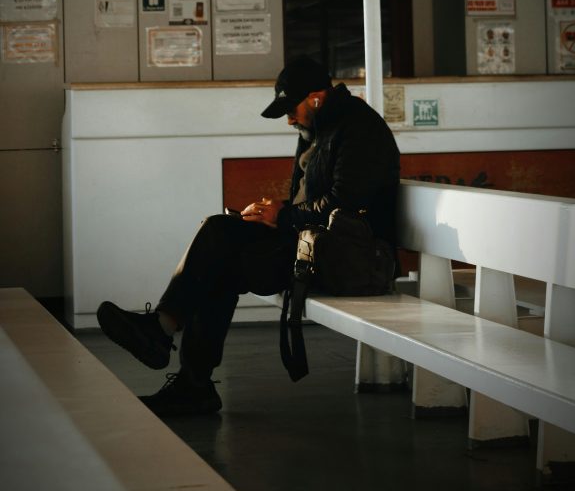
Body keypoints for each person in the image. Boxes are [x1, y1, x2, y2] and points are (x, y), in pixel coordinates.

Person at [97, 55, 400, 418]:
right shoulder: (317, 130)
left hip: (354, 258)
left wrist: (283, 214)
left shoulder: (359, 127)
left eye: (292, 108)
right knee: (219, 239)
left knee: (219, 245)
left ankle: (171, 346)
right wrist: (272, 213)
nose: (289, 118)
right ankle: (182, 367)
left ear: (317, 97)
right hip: (315, 245)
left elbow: (346, 203)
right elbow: (317, 203)